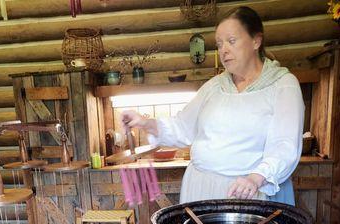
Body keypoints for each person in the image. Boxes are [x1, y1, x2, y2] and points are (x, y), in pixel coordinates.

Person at [121, 6, 304, 205]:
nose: (224, 50)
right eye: (219, 44)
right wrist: (144, 123)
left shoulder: (282, 84)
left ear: (256, 41)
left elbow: (284, 145)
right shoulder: (214, 86)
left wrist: (256, 178)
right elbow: (183, 126)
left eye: (231, 41)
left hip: (249, 194)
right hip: (201, 190)